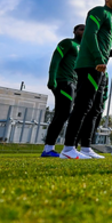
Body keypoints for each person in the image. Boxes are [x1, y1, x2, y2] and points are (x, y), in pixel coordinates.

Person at [61, 0, 112, 160]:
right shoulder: (99, 11)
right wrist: (99, 59)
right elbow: (90, 35)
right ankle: (68, 148)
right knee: (83, 105)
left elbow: (103, 43)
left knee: (95, 109)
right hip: (90, 65)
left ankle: (85, 147)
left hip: (99, 66)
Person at [41, 24, 84, 157]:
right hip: (64, 81)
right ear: (75, 31)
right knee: (64, 113)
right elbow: (56, 59)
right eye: (81, 29)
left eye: (86, 30)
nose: (84, 31)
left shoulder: (84, 49)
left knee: (67, 114)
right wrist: (52, 78)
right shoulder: (68, 43)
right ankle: (48, 149)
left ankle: (67, 147)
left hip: (75, 84)